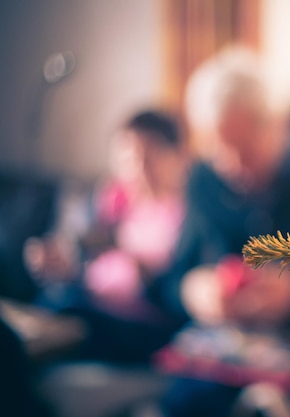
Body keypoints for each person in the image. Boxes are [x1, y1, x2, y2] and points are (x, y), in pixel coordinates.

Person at [152, 46, 290, 417]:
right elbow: (171, 281)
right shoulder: (203, 180)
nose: (234, 166)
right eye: (220, 149)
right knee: (186, 399)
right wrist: (193, 292)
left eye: (246, 149)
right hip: (226, 349)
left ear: (280, 126)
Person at [25, 109, 190, 362]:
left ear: (177, 156)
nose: (139, 169)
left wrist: (140, 266)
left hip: (145, 324)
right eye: (130, 159)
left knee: (66, 305)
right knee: (57, 299)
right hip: (94, 305)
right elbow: (85, 254)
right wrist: (61, 259)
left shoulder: (186, 212)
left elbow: (175, 290)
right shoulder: (115, 201)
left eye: (151, 157)